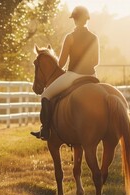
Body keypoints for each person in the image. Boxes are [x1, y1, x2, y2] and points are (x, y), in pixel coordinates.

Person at [31, 5, 100, 140]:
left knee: (45, 95)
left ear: (74, 19)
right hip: (92, 76)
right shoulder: (94, 38)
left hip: (73, 75)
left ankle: (45, 130)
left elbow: (61, 64)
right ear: (87, 20)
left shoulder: (70, 37)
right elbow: (96, 61)